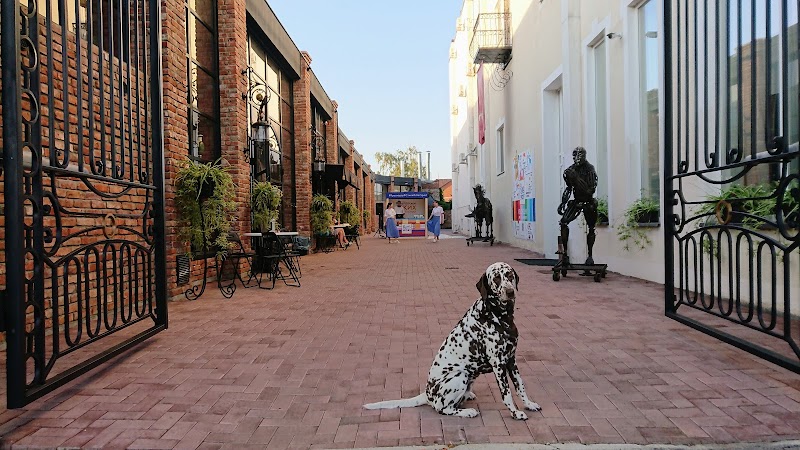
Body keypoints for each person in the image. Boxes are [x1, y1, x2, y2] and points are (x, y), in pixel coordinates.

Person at [557, 146, 599, 266]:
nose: (576, 158)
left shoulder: (589, 169)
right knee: (563, 222)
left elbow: (589, 190)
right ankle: (565, 254)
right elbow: (569, 188)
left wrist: (577, 178)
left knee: (591, 227)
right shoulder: (572, 170)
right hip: (576, 201)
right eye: (574, 155)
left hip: (588, 201)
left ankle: (590, 256)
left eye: (579, 155)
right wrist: (563, 202)